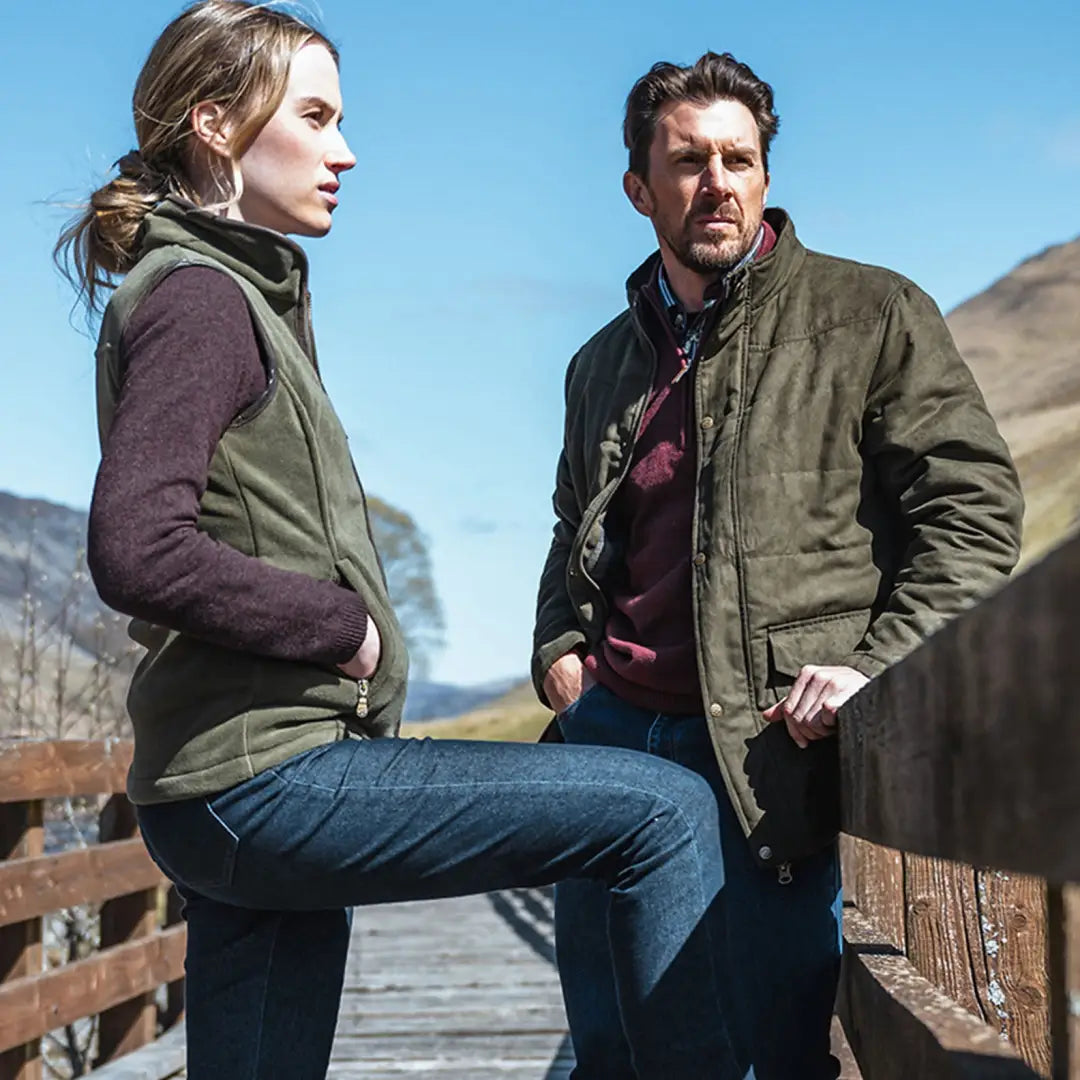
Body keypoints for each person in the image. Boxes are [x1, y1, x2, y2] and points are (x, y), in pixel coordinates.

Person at [57, 7, 751, 1078]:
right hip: (265, 776)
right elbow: (137, 547)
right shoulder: (201, 300)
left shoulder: (225, 290)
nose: (345, 151)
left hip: (223, 788)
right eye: (317, 116)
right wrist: (347, 629)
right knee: (660, 809)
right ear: (215, 125)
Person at [533, 51, 1024, 1080]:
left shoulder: (870, 317)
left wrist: (878, 662)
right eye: (688, 160)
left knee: (767, 1050)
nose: (717, 181)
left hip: (761, 755)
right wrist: (561, 649)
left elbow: (972, 515)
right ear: (639, 189)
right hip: (611, 742)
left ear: (764, 174)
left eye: (738, 158)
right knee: (612, 1049)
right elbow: (573, 525)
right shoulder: (599, 365)